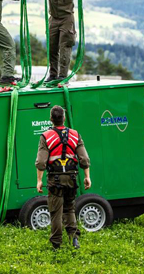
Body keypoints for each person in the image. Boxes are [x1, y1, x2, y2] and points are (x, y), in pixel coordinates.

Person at [35, 105, 91, 250]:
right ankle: (74, 239)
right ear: (64, 118)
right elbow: (84, 159)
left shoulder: (46, 136)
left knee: (56, 211)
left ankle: (56, 244)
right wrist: (87, 177)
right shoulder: (75, 134)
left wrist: (39, 180)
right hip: (72, 178)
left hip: (55, 179)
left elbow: (41, 162)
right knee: (69, 209)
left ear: (51, 119)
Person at [25, 0, 87, 82]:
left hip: (67, 19)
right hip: (53, 19)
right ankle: (53, 75)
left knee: (65, 47)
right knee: (52, 47)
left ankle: (63, 76)